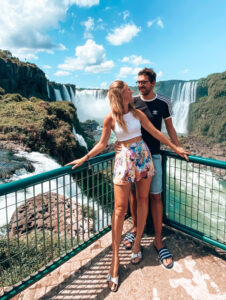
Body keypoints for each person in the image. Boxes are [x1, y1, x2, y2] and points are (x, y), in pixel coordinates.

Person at [66, 80, 189, 292]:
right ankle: (115, 261)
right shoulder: (110, 118)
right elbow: (102, 144)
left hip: (142, 155)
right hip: (123, 159)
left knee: (143, 200)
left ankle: (137, 242)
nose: (131, 91)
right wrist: (84, 157)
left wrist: (175, 147)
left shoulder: (137, 113)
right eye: (127, 90)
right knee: (120, 210)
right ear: (120, 96)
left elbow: (156, 133)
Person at [122, 68, 185, 269]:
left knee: (155, 197)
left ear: (153, 83)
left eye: (144, 82)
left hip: (155, 156)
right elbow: (123, 125)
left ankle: (158, 240)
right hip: (135, 157)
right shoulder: (132, 102)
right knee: (134, 195)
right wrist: (117, 143)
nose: (140, 85)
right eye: (138, 82)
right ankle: (134, 228)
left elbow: (169, 128)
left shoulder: (163, 102)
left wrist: (177, 146)